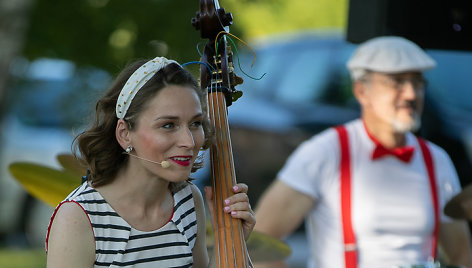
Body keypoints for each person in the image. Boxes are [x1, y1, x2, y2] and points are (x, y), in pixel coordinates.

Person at [254, 36, 472, 268]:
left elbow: (461, 256)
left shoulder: (436, 160)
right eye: (396, 82)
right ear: (361, 91)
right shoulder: (325, 153)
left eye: (417, 83)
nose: (411, 94)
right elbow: (260, 242)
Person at [46, 57, 255, 267]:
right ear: (125, 134)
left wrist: (229, 239)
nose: (189, 142)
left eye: (195, 123)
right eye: (168, 125)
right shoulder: (78, 218)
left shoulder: (187, 200)